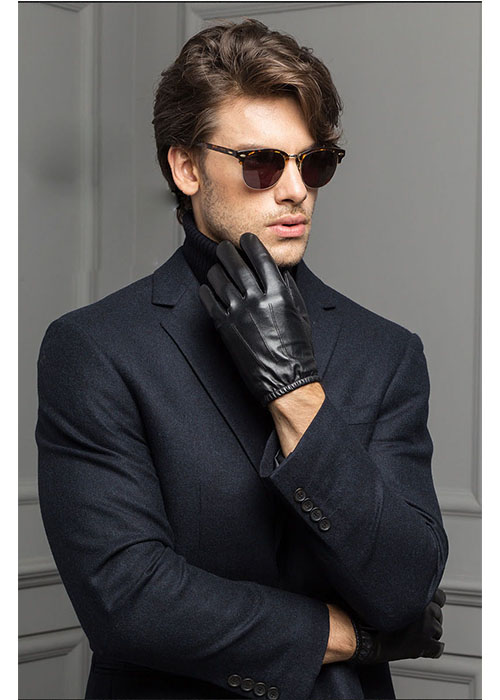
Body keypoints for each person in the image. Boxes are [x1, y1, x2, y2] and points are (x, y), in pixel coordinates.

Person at [36, 19, 448, 700]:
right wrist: (352, 637)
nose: (296, 190)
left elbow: (406, 586)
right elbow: (128, 600)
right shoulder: (96, 349)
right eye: (262, 163)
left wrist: (296, 391)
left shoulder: (386, 352)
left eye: (314, 163)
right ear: (187, 167)